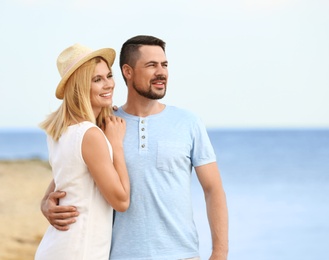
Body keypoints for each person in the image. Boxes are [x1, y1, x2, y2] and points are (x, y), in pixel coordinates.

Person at [41, 36, 228, 260]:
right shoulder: (105, 125)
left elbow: (213, 189)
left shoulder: (189, 122)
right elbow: (70, 174)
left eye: (164, 65)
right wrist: (45, 203)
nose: (161, 72)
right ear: (128, 72)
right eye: (151, 65)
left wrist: (219, 252)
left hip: (182, 254)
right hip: (119, 255)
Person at [35, 43, 130, 260]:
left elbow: (69, 175)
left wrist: (44, 201)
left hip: (57, 247)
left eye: (109, 76)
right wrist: (115, 144)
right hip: (79, 251)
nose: (109, 85)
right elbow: (121, 201)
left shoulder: (59, 131)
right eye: (97, 80)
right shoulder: (90, 135)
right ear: (79, 87)